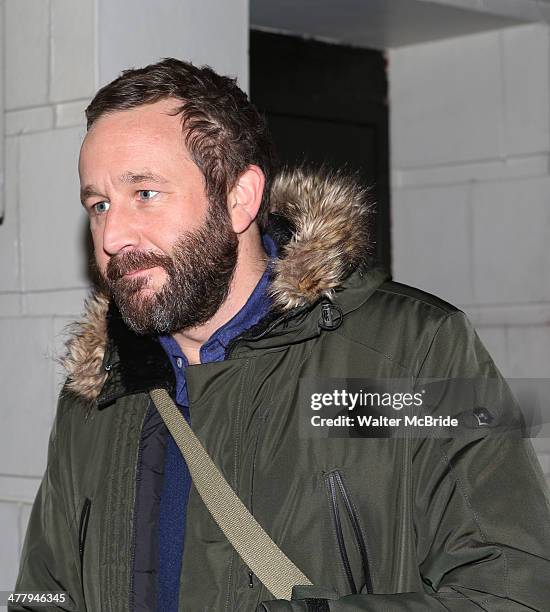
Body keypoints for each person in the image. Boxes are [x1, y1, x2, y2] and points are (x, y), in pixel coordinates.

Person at [12, 57, 550, 611]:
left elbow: (513, 593)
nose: (113, 234)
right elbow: (41, 594)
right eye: (98, 205)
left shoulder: (406, 352)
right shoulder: (101, 386)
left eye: (145, 193)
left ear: (239, 197)